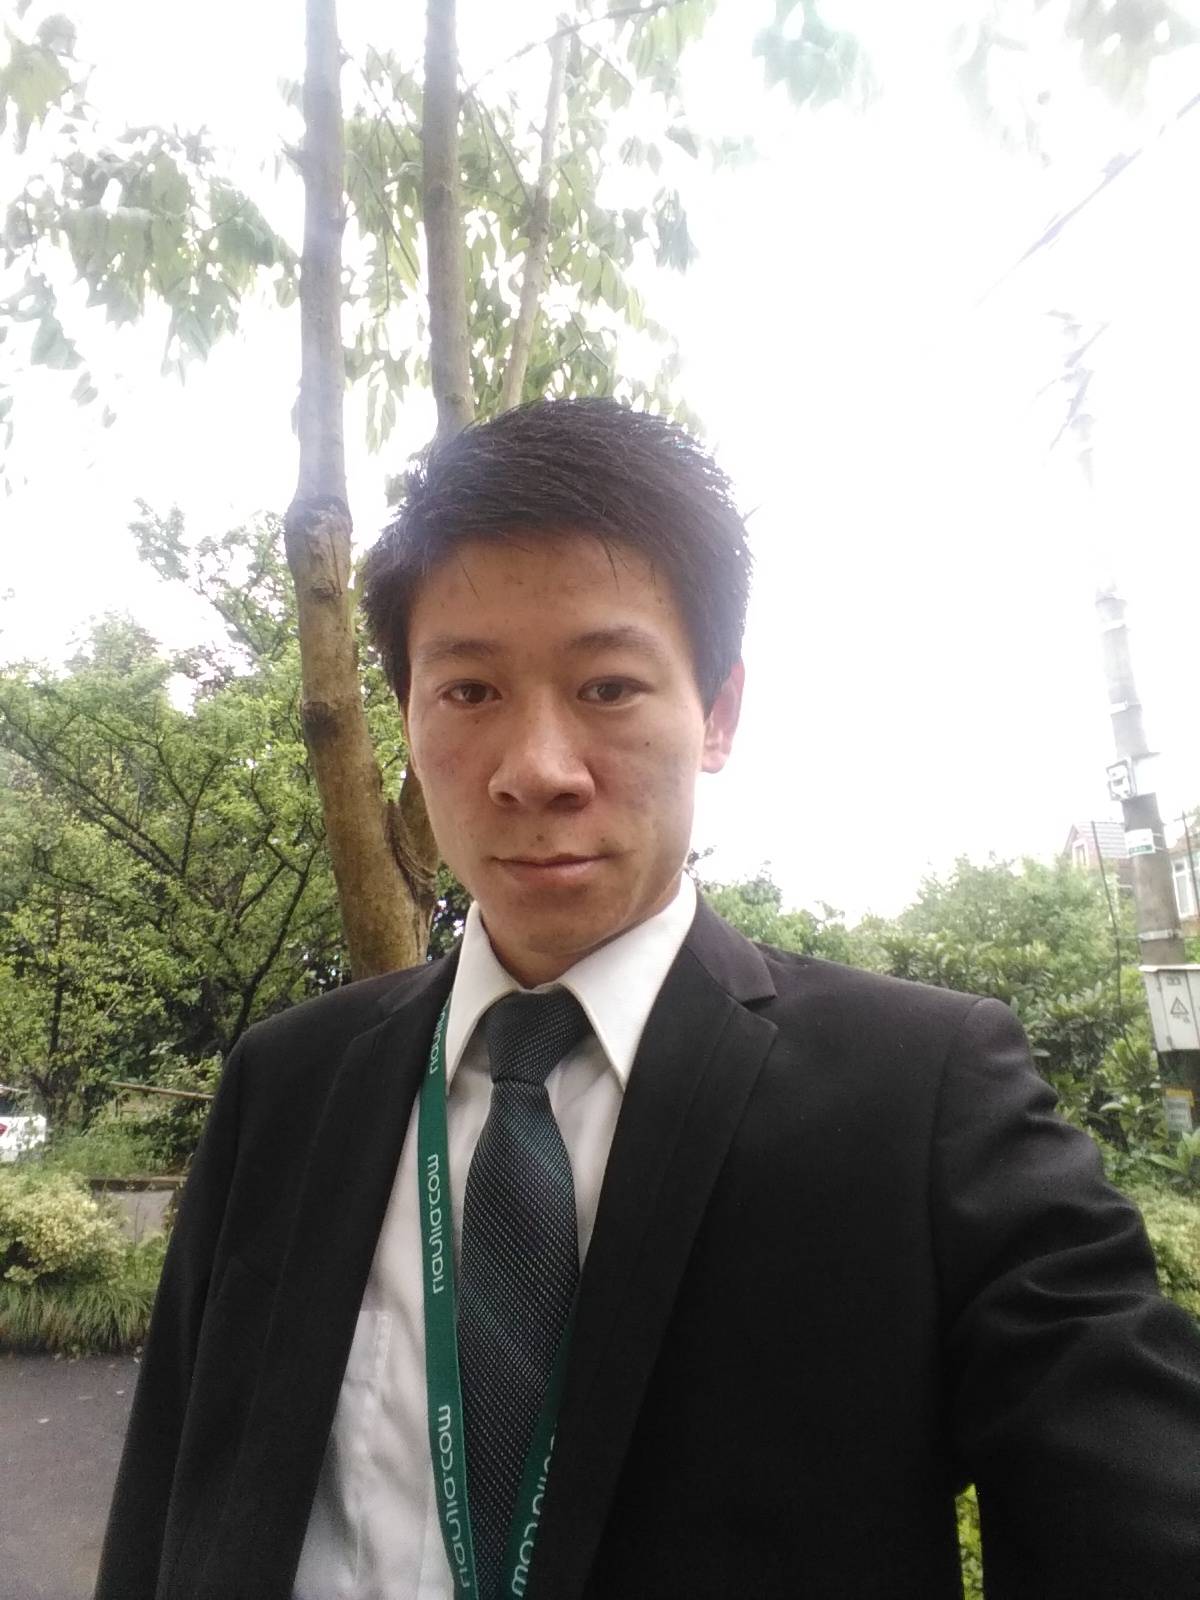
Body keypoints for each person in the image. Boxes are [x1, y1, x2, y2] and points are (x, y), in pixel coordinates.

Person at [96, 399, 1200, 1600]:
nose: (537, 770)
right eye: (469, 691)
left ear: (718, 713)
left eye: (609, 686)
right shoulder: (289, 1085)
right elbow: (169, 1504)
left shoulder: (925, 1096)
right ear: (406, 714)